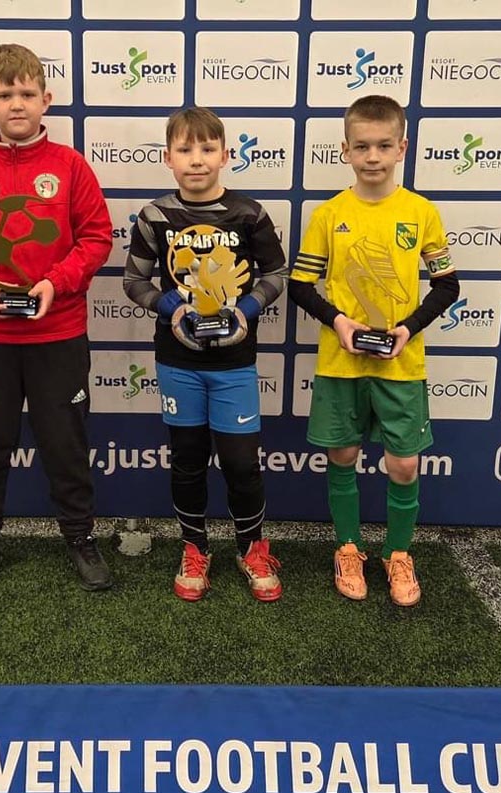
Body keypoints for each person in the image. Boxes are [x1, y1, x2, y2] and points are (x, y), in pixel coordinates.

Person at [0, 43, 113, 594]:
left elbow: (96, 238)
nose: (17, 103)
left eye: (27, 93)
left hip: (58, 334)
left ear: (46, 100)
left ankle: (80, 536)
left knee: (65, 442)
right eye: (5, 94)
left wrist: (56, 282)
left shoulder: (71, 167)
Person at [288, 94, 460, 607]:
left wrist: (407, 329)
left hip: (401, 365)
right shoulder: (329, 214)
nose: (372, 156)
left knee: (403, 465)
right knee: (342, 455)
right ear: (345, 150)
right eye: (361, 146)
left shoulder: (421, 212)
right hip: (341, 362)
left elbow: (447, 286)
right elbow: (300, 286)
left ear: (402, 148)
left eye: (384, 145)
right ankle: (347, 547)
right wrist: (339, 322)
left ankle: (398, 553)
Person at [124, 107, 288, 602]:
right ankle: (194, 548)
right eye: (185, 149)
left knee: (241, 463)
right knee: (188, 459)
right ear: (168, 158)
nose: (196, 160)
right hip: (178, 362)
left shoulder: (249, 213)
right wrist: (170, 306)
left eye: (207, 149)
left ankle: (251, 548)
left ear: (225, 155)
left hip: (234, 364)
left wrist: (246, 311)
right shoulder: (154, 216)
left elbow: (276, 275)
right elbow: (134, 280)